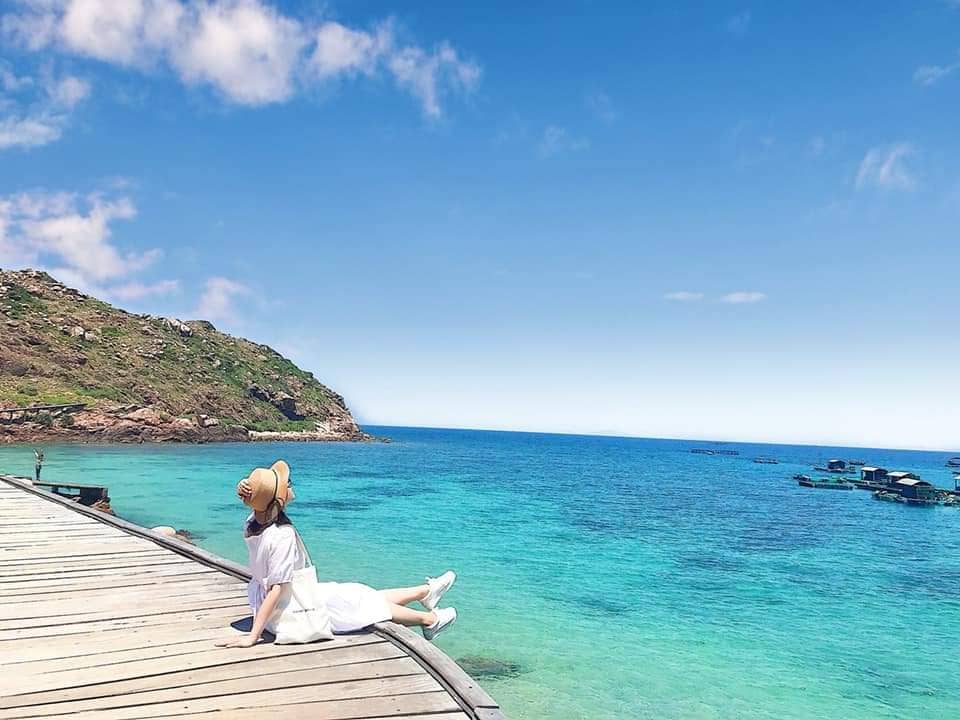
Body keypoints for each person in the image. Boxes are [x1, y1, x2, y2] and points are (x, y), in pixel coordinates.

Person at [217, 460, 457, 648]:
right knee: (361, 601)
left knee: (357, 593)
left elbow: (256, 504)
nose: (291, 485)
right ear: (279, 499)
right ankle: (430, 621)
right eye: (287, 484)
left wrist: (248, 490)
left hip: (281, 602)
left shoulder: (253, 524)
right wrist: (253, 636)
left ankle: (426, 592)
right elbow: (277, 589)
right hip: (288, 609)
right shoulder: (281, 534)